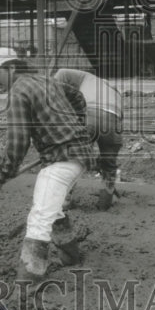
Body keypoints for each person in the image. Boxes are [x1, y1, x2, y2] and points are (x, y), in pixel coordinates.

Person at [0, 48, 95, 288]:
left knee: (39, 218)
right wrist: (78, 127)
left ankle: (28, 281)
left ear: (11, 68)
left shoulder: (19, 91)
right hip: (77, 153)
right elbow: (77, 97)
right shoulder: (46, 80)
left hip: (63, 158)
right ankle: (71, 255)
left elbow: (18, 143)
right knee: (51, 206)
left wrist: (0, 177)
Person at [51, 66, 123, 207]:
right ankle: (105, 201)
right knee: (109, 164)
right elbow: (118, 126)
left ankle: (65, 201)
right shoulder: (116, 94)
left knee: (73, 159)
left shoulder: (85, 77)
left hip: (90, 115)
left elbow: (60, 74)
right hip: (114, 122)